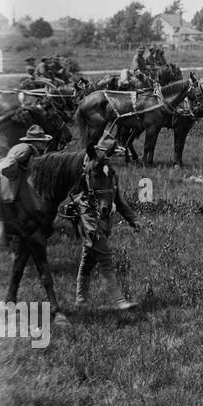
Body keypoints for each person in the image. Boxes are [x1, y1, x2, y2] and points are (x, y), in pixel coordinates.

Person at [69, 132, 140, 310]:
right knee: (105, 259)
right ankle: (118, 301)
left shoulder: (109, 172)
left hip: (103, 222)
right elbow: (76, 196)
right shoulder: (88, 170)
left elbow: (118, 200)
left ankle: (81, 301)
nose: (109, 156)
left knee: (87, 263)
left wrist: (133, 220)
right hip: (89, 221)